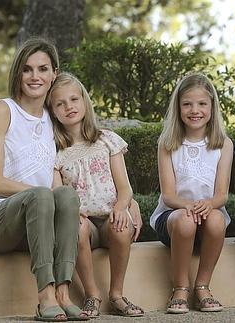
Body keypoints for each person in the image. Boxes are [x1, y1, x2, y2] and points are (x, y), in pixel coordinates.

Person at [0, 38, 89, 322]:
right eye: (27, 69)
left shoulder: (52, 118)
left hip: (36, 222)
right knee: (42, 195)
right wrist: (42, 194)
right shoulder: (3, 110)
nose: (35, 77)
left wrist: (126, 201)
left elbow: (83, 155)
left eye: (43, 69)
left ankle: (62, 293)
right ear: (17, 74)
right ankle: (45, 297)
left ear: (54, 74)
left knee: (67, 196)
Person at [49, 72, 145, 318]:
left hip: (110, 216)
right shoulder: (56, 152)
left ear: (84, 101)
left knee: (122, 226)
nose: (68, 107)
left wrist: (122, 206)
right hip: (86, 223)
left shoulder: (107, 140)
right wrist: (70, 212)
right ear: (53, 111)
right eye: (60, 104)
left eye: (73, 99)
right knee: (77, 226)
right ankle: (92, 295)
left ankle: (117, 294)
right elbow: (57, 191)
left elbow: (124, 187)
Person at [150, 73, 233, 314]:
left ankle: (203, 286)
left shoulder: (223, 144)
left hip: (208, 217)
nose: (194, 110)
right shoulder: (168, 143)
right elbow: (168, 195)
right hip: (173, 220)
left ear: (212, 107)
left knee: (217, 219)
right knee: (186, 221)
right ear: (178, 107)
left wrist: (208, 205)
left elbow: (222, 195)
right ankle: (180, 288)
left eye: (201, 104)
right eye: (187, 104)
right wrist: (189, 206)